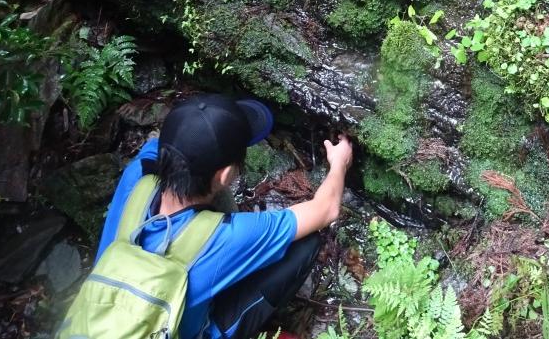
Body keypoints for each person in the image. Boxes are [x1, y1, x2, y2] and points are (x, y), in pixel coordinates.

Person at [93, 93, 354, 339]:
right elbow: (326, 209)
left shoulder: (136, 176)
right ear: (225, 175)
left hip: (106, 315)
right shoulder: (226, 237)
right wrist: (339, 163)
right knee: (305, 245)